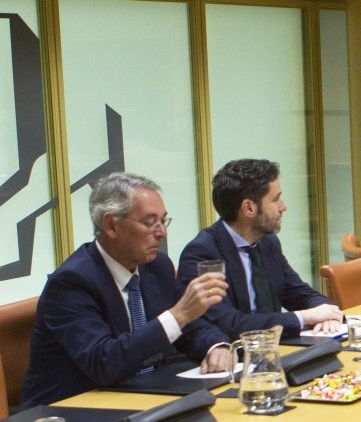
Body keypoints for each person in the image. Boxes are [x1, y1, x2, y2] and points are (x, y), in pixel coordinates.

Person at [21, 173, 232, 406]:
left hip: (140, 396)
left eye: (164, 221)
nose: (162, 233)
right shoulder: (71, 282)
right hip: (69, 414)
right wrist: (179, 313)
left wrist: (216, 345)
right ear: (111, 225)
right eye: (151, 222)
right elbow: (103, 363)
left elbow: (187, 325)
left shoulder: (156, 266)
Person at [177, 159, 344, 339]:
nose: (284, 207)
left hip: (277, 349)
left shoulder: (267, 242)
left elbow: (299, 292)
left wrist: (325, 313)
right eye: (275, 199)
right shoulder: (202, 254)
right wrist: (304, 317)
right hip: (235, 357)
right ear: (249, 208)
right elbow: (230, 324)